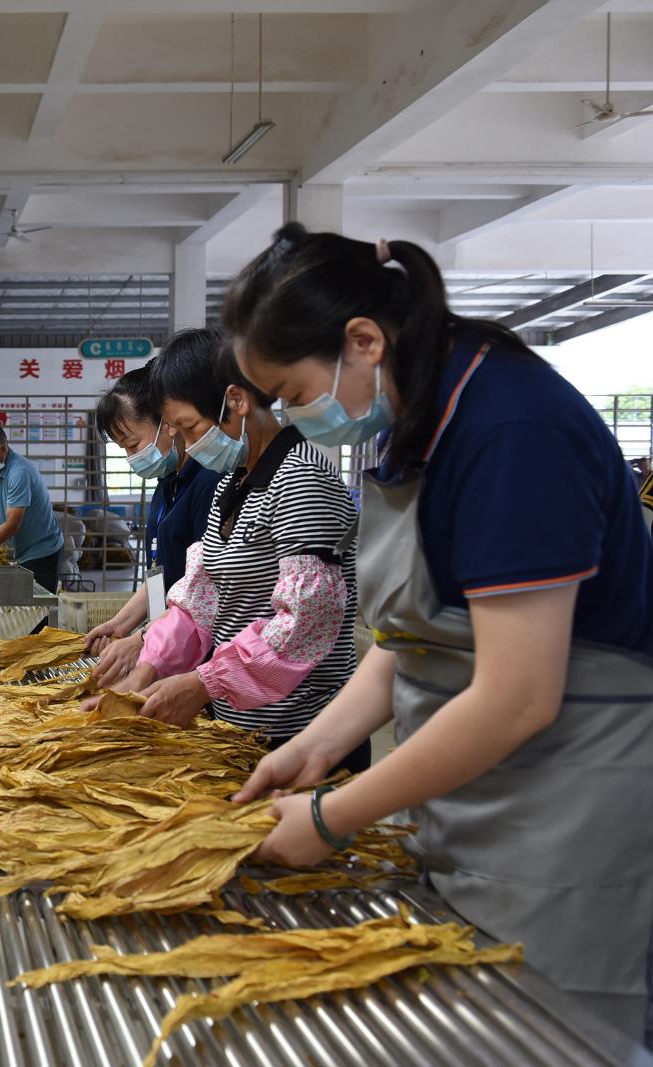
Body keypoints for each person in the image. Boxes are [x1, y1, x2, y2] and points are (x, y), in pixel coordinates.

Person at [225, 224, 653, 1041]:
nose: (287, 414)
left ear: (362, 339)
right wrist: (313, 747)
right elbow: (416, 635)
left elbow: (518, 694)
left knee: (557, 1032)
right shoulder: (415, 419)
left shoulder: (513, 432)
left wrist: (331, 817)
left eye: (291, 389)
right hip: (478, 789)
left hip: (571, 799)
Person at [95, 326, 368, 775]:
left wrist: (205, 682)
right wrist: (148, 667)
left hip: (304, 736)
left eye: (190, 427)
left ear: (236, 401)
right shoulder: (231, 484)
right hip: (243, 730)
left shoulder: (301, 481)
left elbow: (304, 622)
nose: (186, 444)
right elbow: (199, 595)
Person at [85, 349, 222, 687]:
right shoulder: (167, 483)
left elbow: (206, 588)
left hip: (202, 654)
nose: (133, 457)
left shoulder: (209, 482)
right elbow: (161, 575)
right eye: (123, 450)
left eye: (133, 444)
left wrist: (144, 638)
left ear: (169, 423)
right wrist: (122, 624)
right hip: (168, 646)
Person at [0, 422, 66, 594]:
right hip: (22, 549)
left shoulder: (19, 473)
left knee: (38, 608)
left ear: (2, 449)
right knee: (22, 605)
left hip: (43, 550)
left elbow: (13, 524)